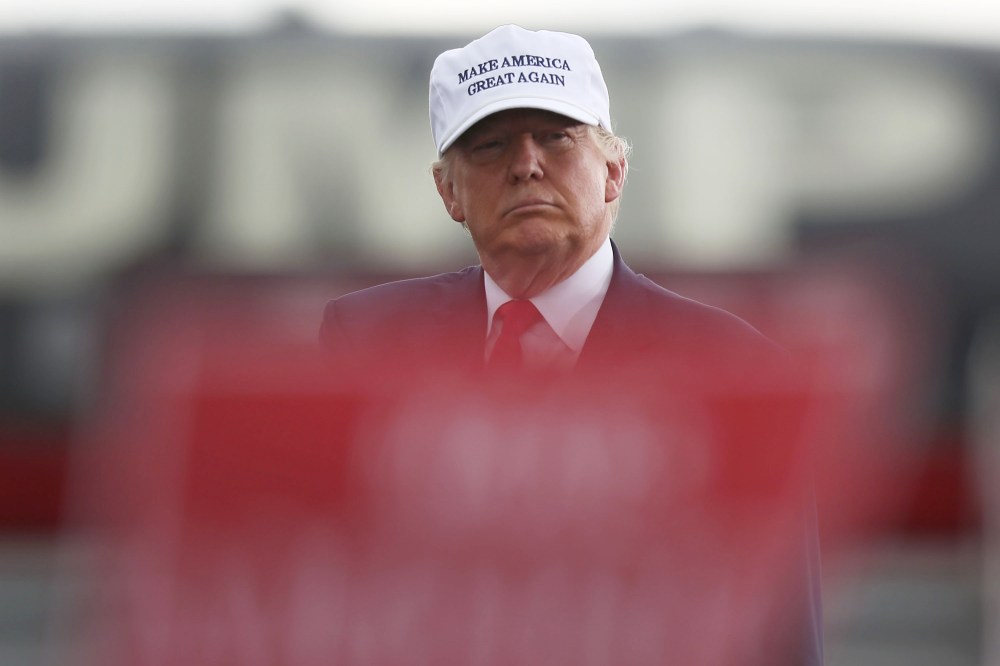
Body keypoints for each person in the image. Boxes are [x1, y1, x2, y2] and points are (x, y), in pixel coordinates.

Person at [320, 25, 822, 665]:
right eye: (490, 145)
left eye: (556, 137)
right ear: (448, 192)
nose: (525, 164)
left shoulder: (733, 366)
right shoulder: (365, 340)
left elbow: (778, 634)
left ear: (614, 171)